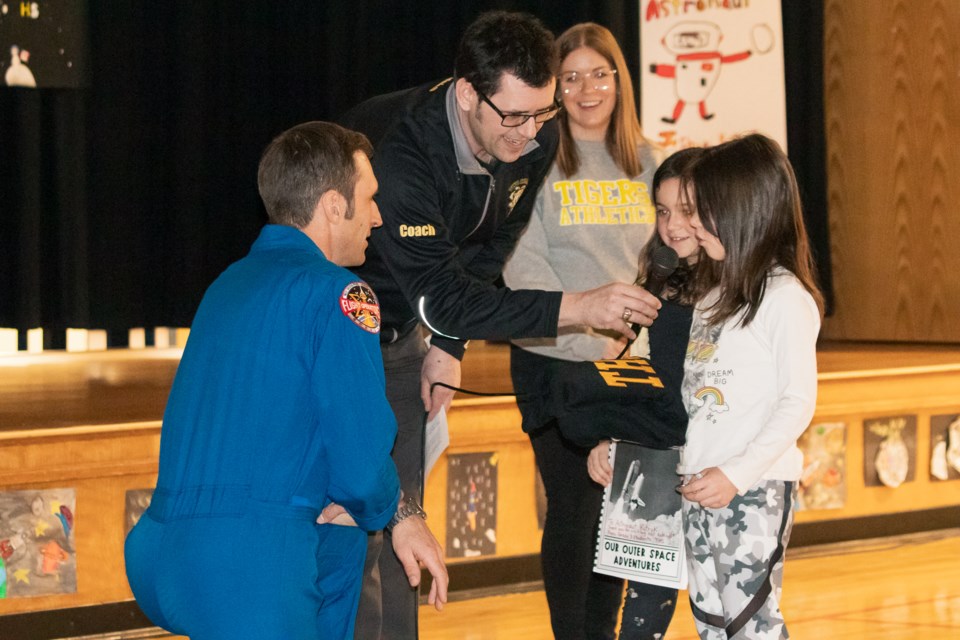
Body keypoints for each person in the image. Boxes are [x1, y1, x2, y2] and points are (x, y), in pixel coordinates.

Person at [340, 12, 661, 638]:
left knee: (406, 525)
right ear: (468, 93)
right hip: (339, 334)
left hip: (404, 332)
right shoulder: (403, 156)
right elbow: (446, 296)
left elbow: (488, 251)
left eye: (543, 114)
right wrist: (578, 307)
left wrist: (447, 347)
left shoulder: (532, 135)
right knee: (349, 534)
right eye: (514, 116)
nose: (531, 135)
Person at [124, 121, 447, 640]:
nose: (379, 216)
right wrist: (400, 514)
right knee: (347, 531)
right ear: (332, 206)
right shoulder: (343, 294)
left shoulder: (227, 283)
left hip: (162, 554)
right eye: (369, 199)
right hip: (249, 569)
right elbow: (362, 464)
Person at [502, 22, 679, 639]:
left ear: (619, 81)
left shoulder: (653, 163)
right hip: (554, 357)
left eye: (598, 74)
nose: (585, 89)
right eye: (570, 77)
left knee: (616, 513)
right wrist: (588, 327)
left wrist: (633, 337)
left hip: (629, 357)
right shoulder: (533, 162)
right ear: (554, 89)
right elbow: (522, 262)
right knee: (574, 509)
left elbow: (670, 257)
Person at [676, 133, 824, 640]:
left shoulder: (784, 298)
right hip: (700, 485)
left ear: (744, 211)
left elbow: (798, 402)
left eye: (703, 209)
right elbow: (697, 402)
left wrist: (736, 474)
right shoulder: (713, 298)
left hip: (752, 491)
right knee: (713, 627)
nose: (692, 222)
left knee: (752, 626)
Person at [584, 146, 707, 639]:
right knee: (642, 616)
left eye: (688, 211)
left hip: (717, 462)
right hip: (656, 458)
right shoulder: (657, 277)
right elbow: (631, 370)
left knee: (720, 604)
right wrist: (610, 437)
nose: (673, 225)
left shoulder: (741, 287)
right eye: (662, 211)